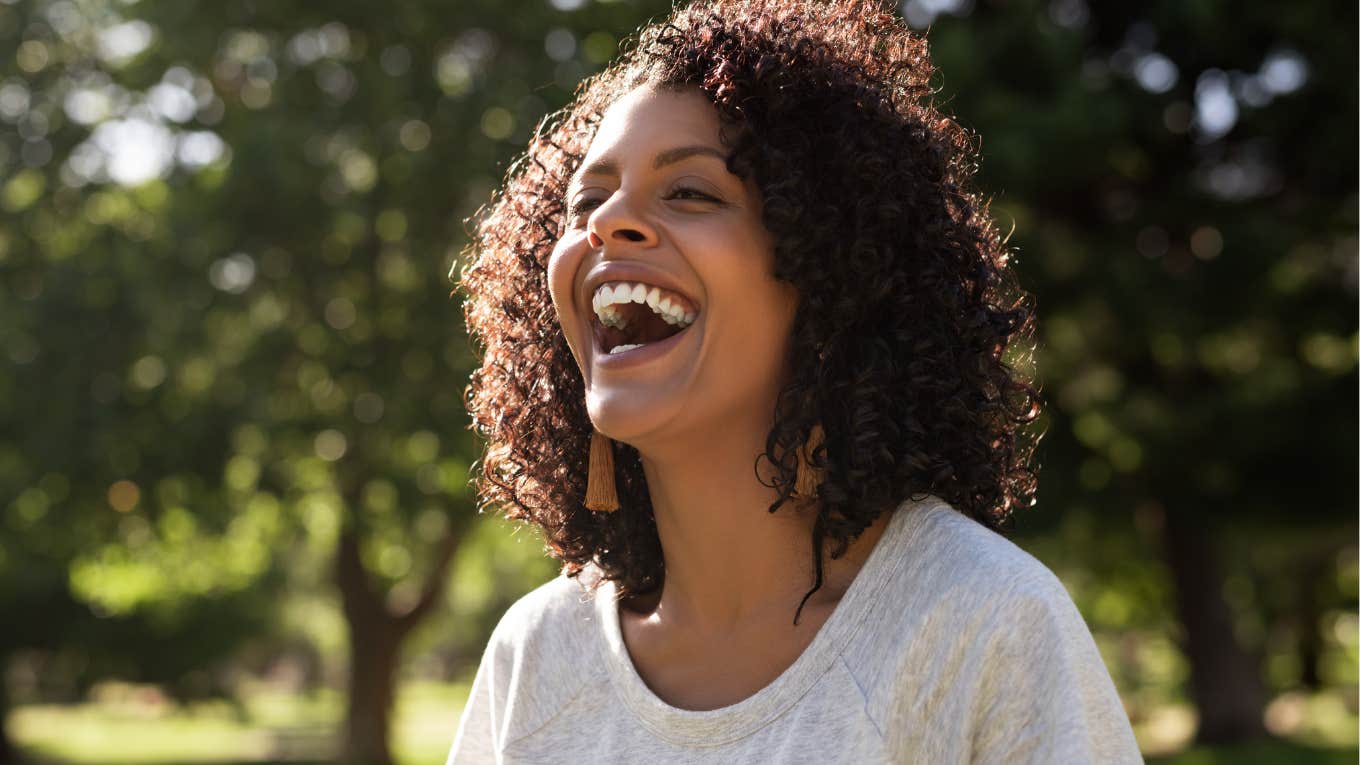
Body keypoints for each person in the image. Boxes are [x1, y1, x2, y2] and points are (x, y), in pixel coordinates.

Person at [447, 0, 1143, 761]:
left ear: (832, 272)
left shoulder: (984, 622)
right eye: (586, 200)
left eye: (691, 192)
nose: (608, 223)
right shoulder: (537, 654)